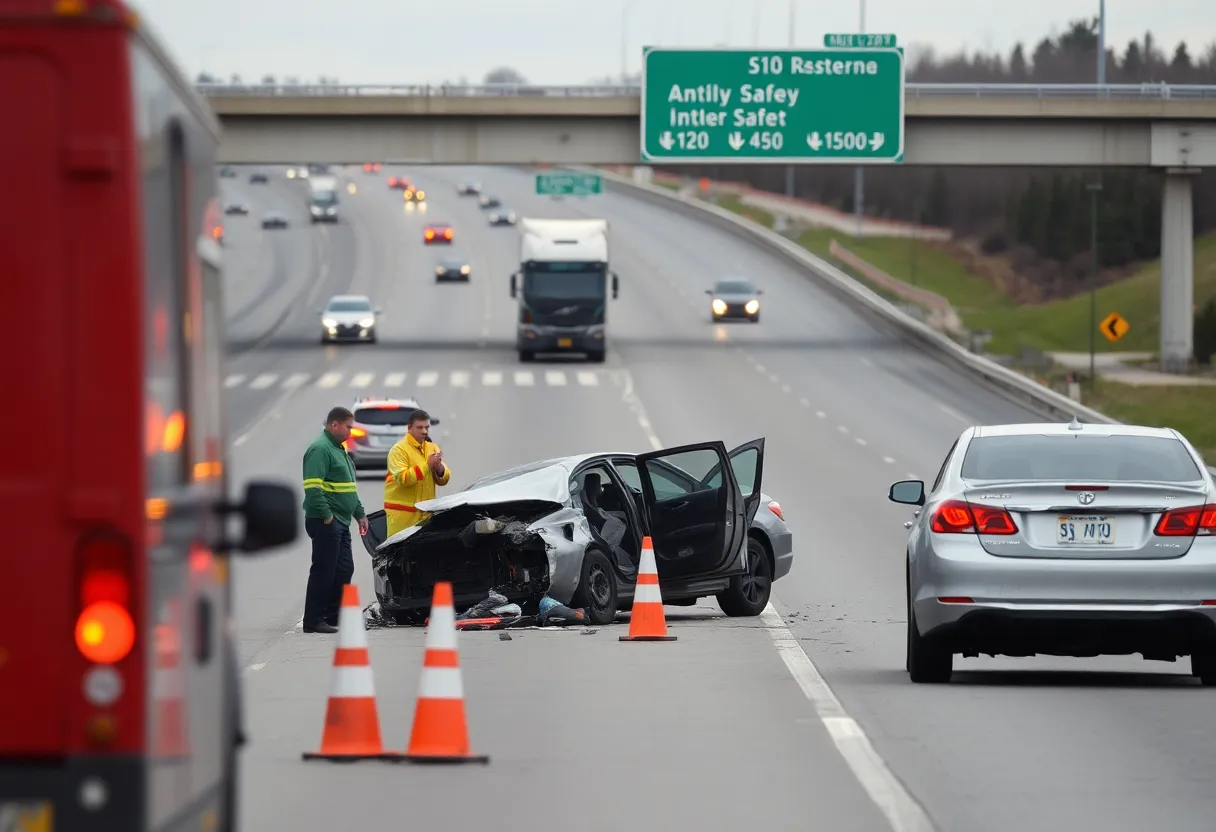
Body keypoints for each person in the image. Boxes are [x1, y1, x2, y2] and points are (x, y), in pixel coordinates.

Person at [301, 406, 369, 634]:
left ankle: (334, 615)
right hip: (326, 520)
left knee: (344, 569)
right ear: (334, 425)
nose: (351, 432)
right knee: (324, 570)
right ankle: (313, 620)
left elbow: (349, 488)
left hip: (341, 520)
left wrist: (359, 513)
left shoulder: (339, 449)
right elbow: (312, 487)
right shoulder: (320, 449)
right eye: (348, 427)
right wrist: (327, 515)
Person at [384, 409, 451, 538]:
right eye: (420, 427)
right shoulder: (398, 450)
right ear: (409, 428)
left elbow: (444, 478)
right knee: (400, 556)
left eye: (427, 427)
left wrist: (439, 469)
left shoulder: (432, 447)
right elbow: (403, 478)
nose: (424, 431)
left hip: (425, 516)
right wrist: (427, 465)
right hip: (402, 517)